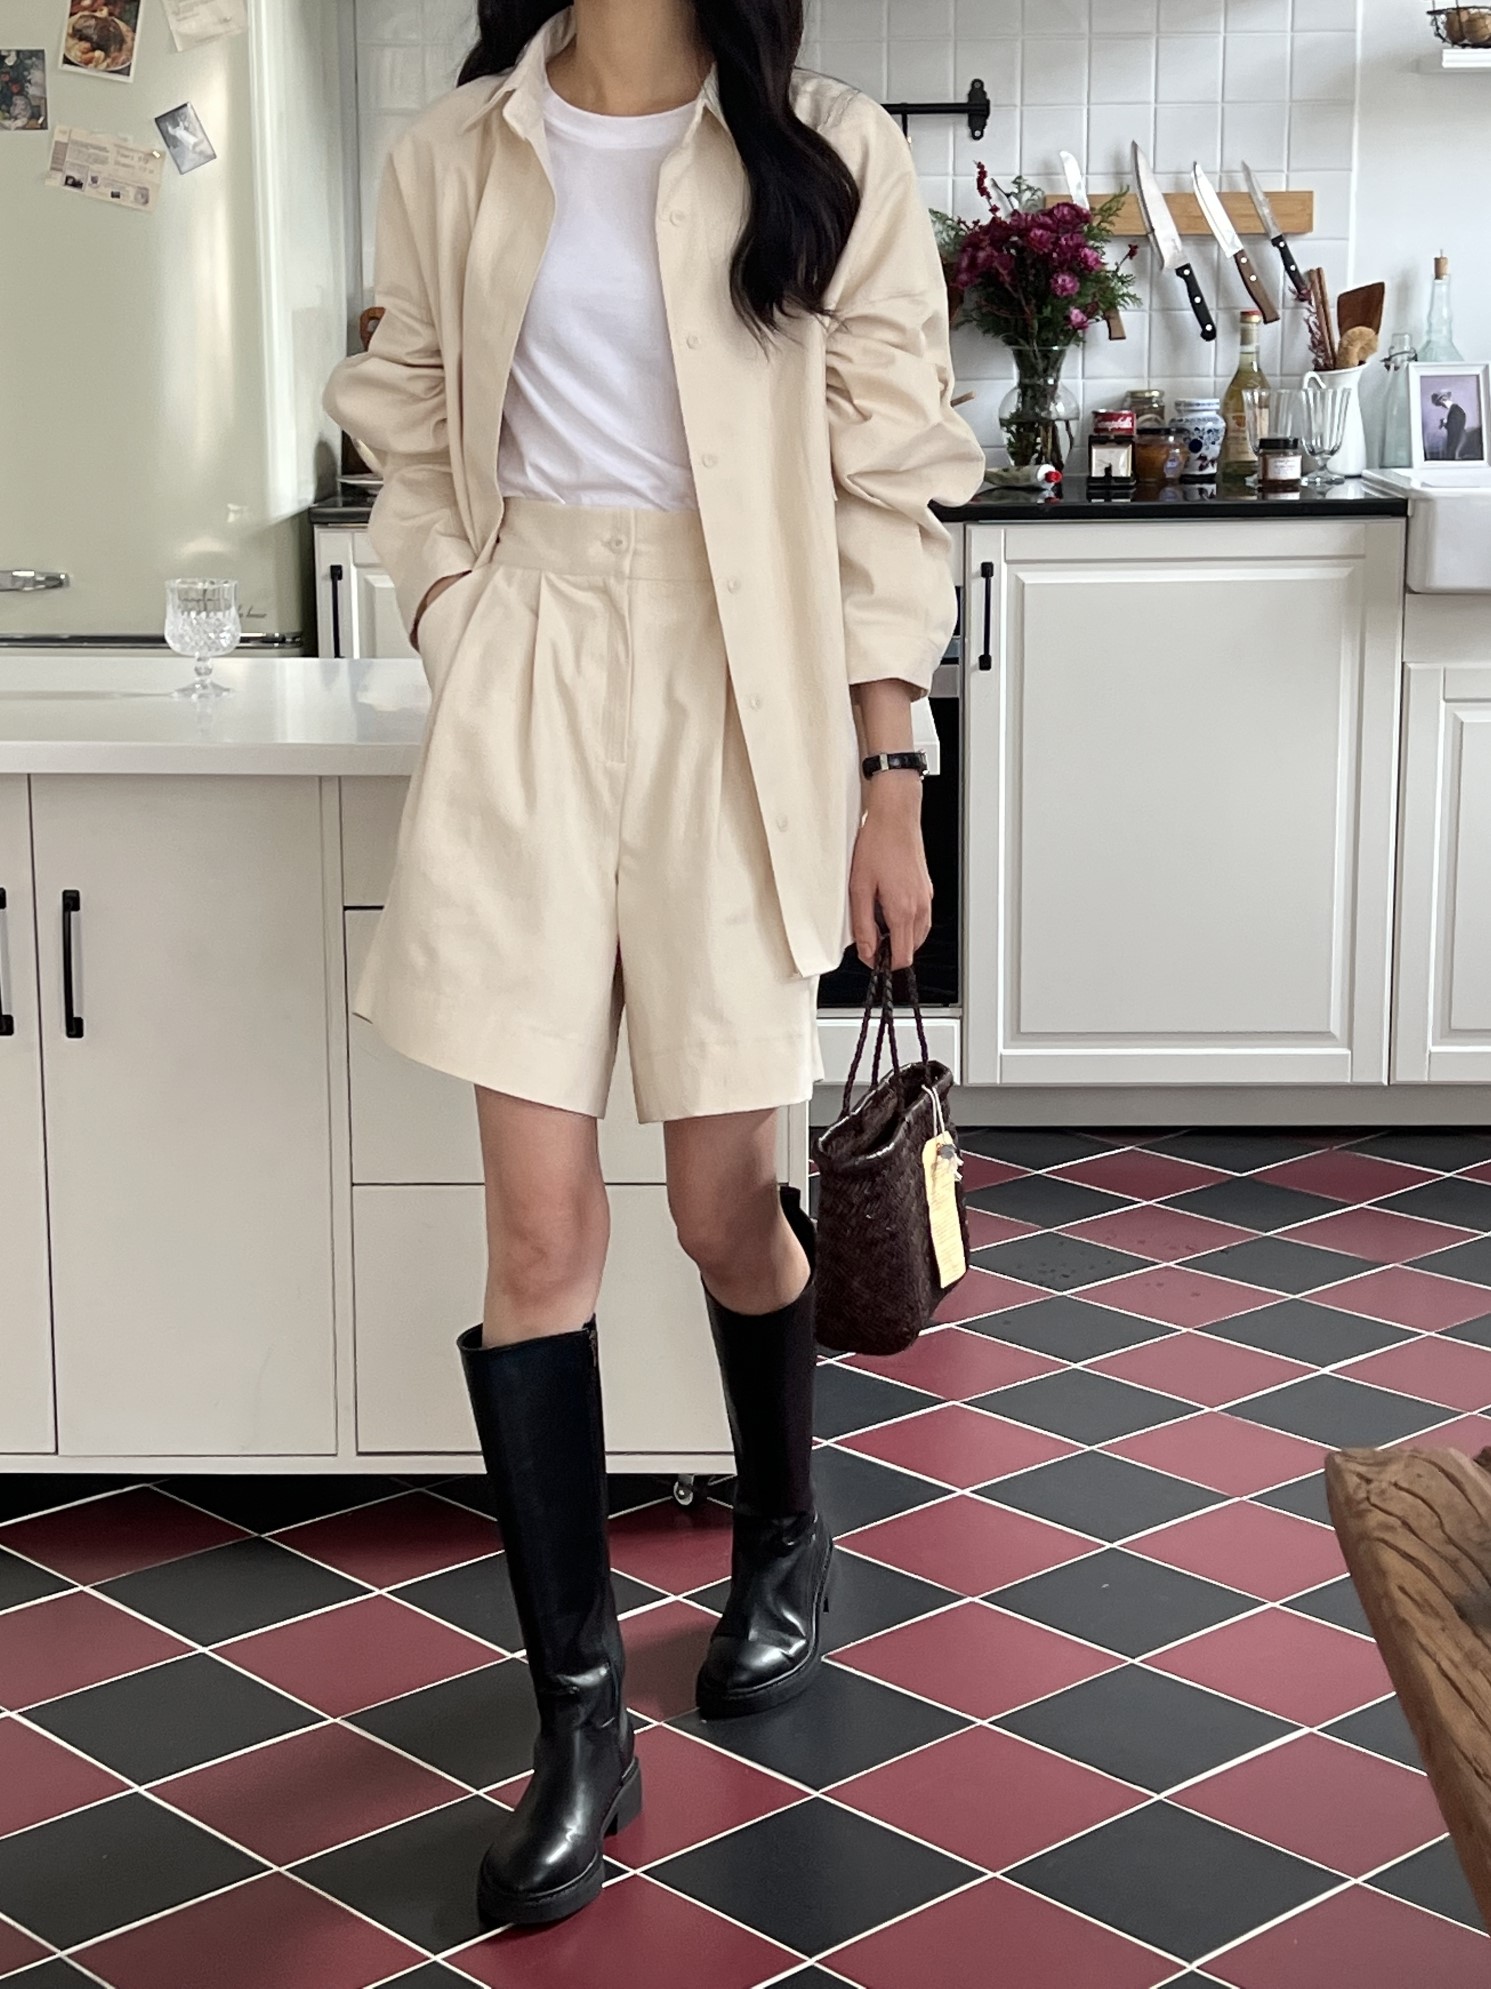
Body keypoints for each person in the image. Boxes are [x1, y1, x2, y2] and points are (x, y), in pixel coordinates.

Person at [323, 0, 984, 1934]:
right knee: (537, 1236)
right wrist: (458, 603)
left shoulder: (829, 149)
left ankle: (783, 1532)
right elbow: (404, 409)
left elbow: (886, 478)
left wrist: (889, 776)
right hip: (529, 658)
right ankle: (581, 1724)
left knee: (716, 1206)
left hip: (740, 676)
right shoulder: (454, 150)